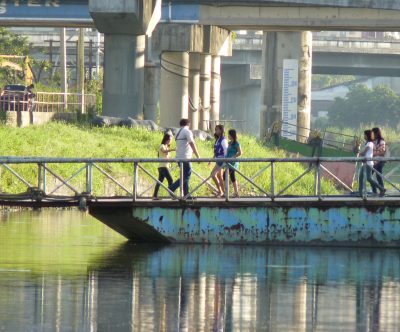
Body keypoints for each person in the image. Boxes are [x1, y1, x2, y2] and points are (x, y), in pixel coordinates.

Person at [169, 118, 200, 197]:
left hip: (179, 157)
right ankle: (172, 188)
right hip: (185, 158)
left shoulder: (178, 132)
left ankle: (186, 194)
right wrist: (197, 156)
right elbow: (191, 143)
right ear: (188, 124)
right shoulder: (187, 131)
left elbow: (183, 145)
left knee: (185, 176)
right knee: (187, 174)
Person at [358, 129, 386, 197]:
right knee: (361, 177)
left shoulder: (370, 143)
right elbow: (364, 152)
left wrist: (359, 153)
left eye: (364, 135)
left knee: (369, 178)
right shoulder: (367, 143)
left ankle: (381, 188)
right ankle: (361, 193)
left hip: (369, 163)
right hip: (365, 163)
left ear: (367, 135)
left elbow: (364, 152)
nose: (364, 136)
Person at [153, 133, 175, 200]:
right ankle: (171, 195)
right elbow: (164, 151)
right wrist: (173, 149)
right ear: (166, 139)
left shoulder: (167, 147)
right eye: (170, 139)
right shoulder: (162, 146)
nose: (170, 141)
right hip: (163, 167)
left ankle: (155, 196)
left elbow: (168, 157)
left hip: (164, 166)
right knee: (170, 180)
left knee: (160, 181)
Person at [210, 124, 228, 197]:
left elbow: (226, 151)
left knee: (213, 174)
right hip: (218, 159)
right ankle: (223, 192)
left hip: (221, 160)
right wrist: (211, 160)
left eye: (217, 129)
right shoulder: (217, 140)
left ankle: (220, 191)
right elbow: (216, 151)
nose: (216, 131)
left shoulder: (223, 140)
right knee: (219, 176)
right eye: (215, 129)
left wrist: (224, 161)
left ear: (221, 130)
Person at [224, 129, 242, 198]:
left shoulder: (236, 143)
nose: (228, 135)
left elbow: (240, 152)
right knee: (227, 176)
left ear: (232, 135)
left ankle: (234, 192)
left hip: (233, 162)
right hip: (228, 162)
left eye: (229, 134)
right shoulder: (229, 143)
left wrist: (233, 157)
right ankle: (232, 192)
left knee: (231, 176)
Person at [372, 127, 386, 194]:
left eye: (373, 133)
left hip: (380, 161)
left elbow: (382, 152)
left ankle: (382, 190)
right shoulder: (372, 141)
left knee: (378, 176)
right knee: (369, 176)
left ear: (376, 133)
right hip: (373, 161)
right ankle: (375, 190)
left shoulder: (381, 141)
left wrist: (373, 153)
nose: (372, 135)